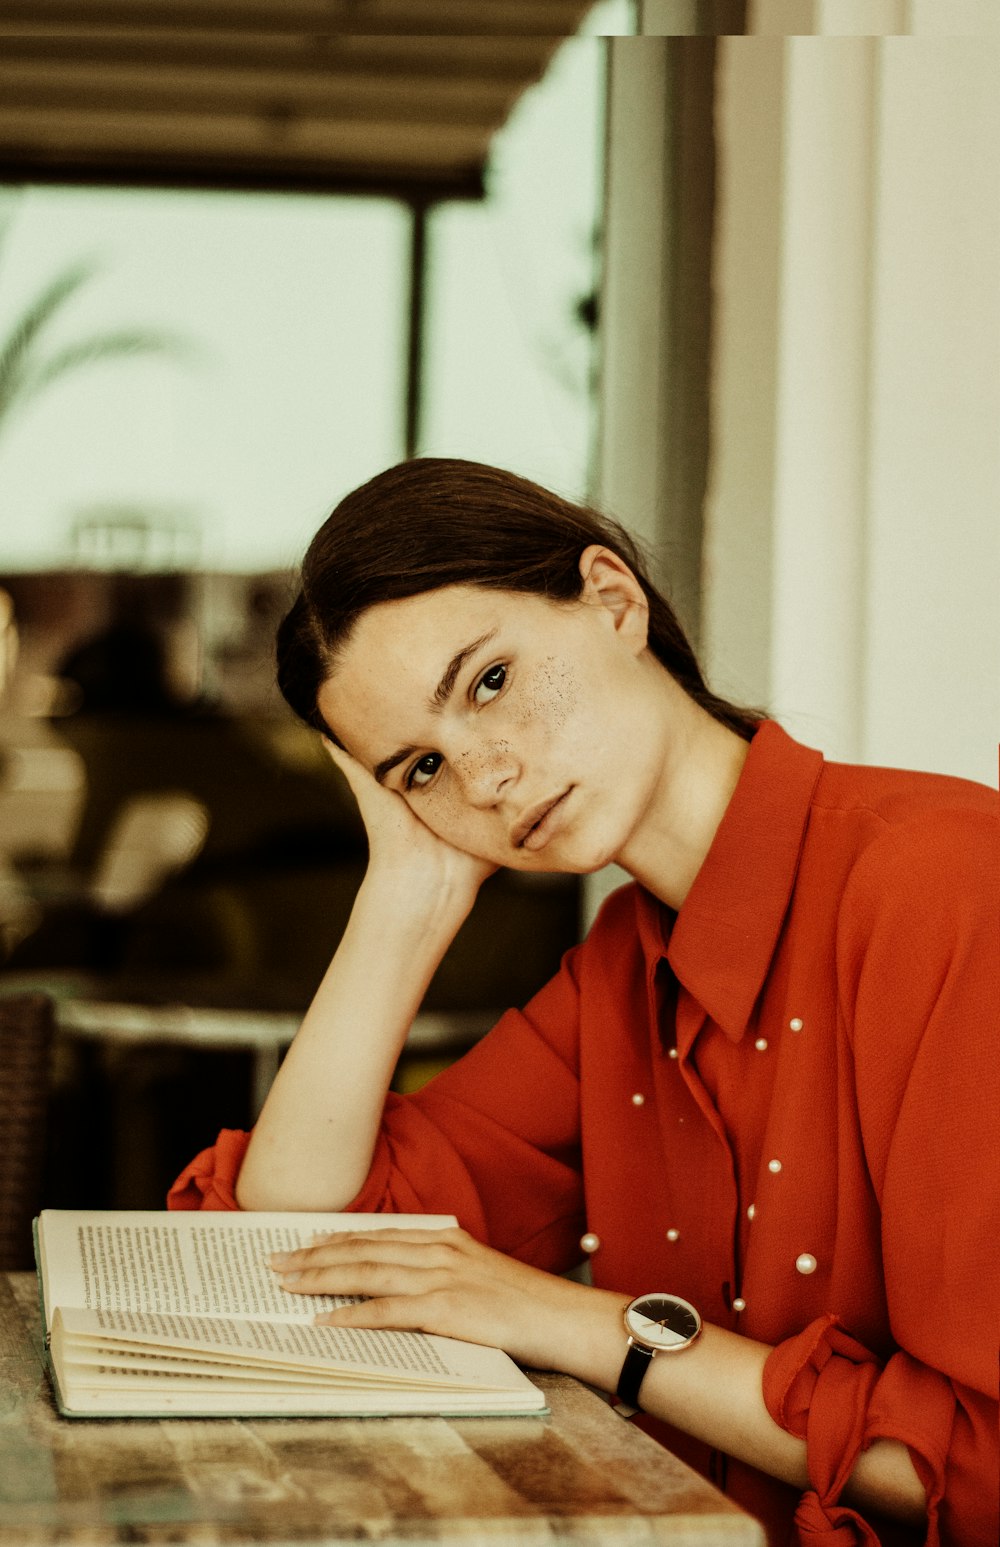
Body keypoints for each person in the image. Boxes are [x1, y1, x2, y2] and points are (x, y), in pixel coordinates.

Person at [169, 458, 998, 1547]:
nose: (485, 776)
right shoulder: (619, 974)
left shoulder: (942, 883)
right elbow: (299, 1238)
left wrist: (568, 1316)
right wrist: (406, 895)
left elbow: (977, 1466)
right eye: (420, 766)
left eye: (490, 681)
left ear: (613, 598)